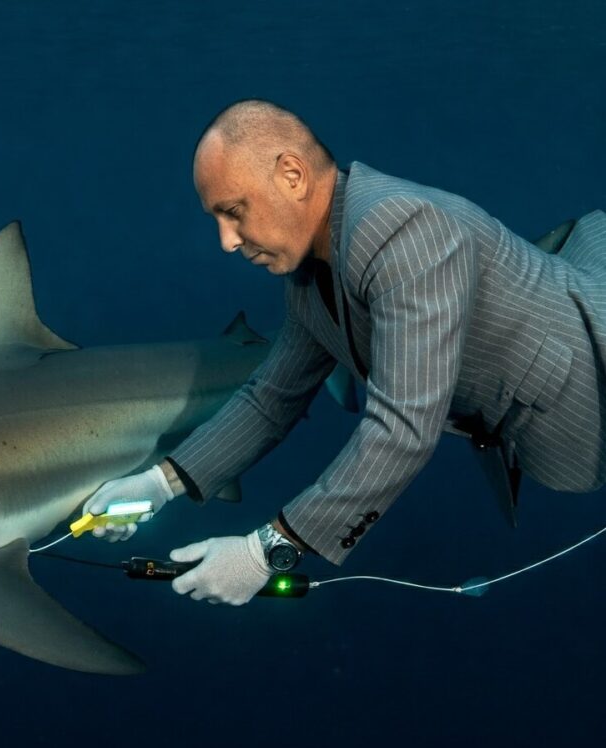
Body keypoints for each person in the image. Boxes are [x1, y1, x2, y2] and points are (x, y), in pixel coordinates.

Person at [84, 99, 606, 606]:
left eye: (233, 211)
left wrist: (267, 550)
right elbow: (269, 400)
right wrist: (158, 482)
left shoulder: (403, 230)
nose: (226, 240)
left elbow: (403, 426)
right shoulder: (310, 279)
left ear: (292, 175)